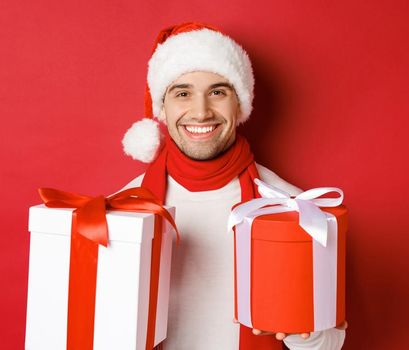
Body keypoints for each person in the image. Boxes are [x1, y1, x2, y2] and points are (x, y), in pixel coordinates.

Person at [119, 22, 347, 350]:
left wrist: (304, 332)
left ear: (239, 104)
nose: (200, 112)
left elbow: (330, 344)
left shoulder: (296, 211)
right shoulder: (118, 214)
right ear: (162, 109)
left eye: (218, 92)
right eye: (182, 93)